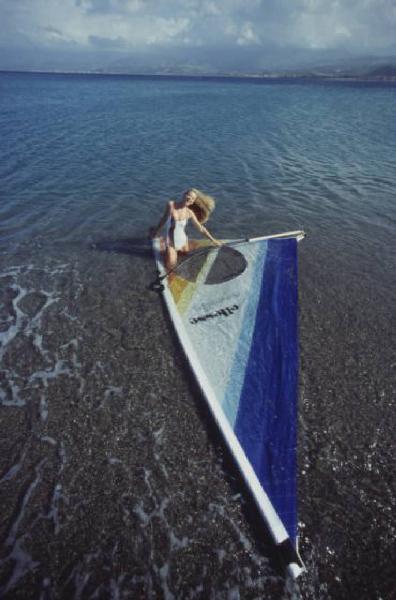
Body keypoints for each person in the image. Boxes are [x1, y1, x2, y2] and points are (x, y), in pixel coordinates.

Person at [149, 188, 221, 271]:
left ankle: (172, 245)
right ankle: (163, 244)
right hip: (171, 243)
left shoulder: (189, 213)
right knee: (170, 265)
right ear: (183, 195)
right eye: (188, 195)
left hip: (182, 242)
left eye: (192, 198)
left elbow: (201, 229)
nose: (189, 198)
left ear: (193, 202)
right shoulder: (171, 205)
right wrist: (156, 231)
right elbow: (164, 219)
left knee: (185, 256)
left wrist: (213, 240)